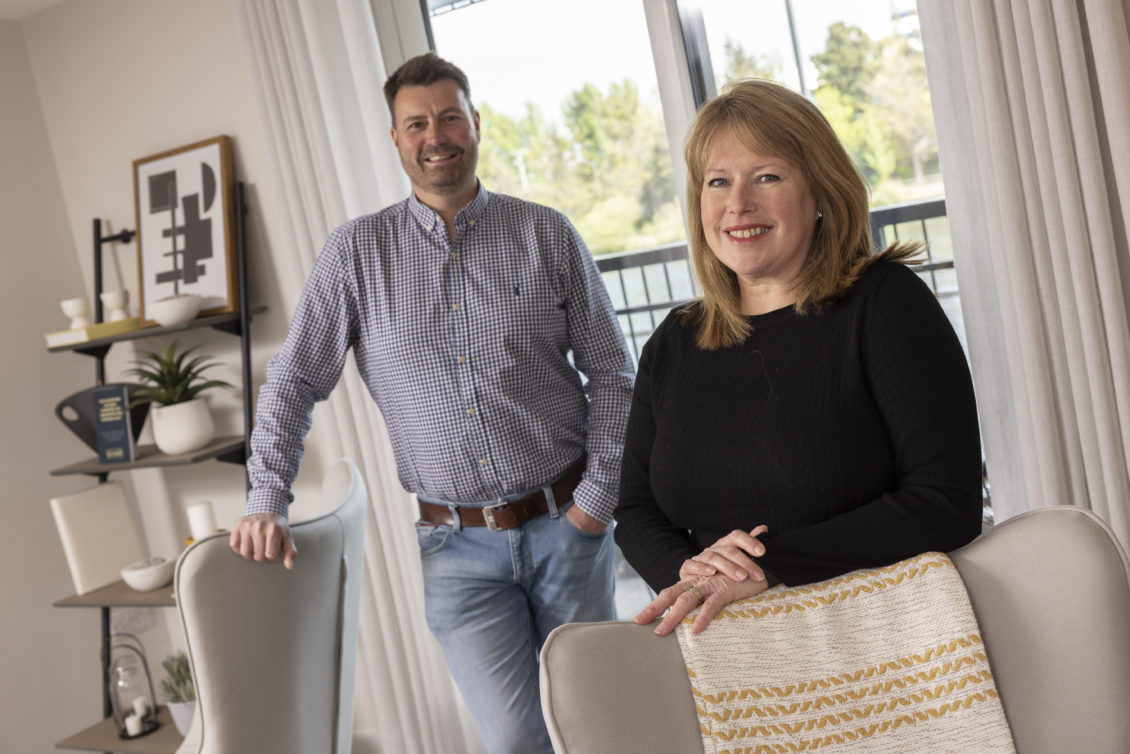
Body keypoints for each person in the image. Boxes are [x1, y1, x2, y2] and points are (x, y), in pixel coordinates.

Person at [228, 52, 634, 753]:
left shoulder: (546, 233)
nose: (435, 136)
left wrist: (595, 501)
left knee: (599, 726)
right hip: (455, 550)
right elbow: (292, 381)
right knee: (515, 740)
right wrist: (267, 497)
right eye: (416, 124)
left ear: (476, 124)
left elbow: (614, 374)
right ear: (395, 139)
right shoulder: (354, 255)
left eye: (449, 118)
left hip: (567, 526)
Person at [614, 79, 983, 638]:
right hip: (726, 646)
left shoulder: (885, 304)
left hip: (886, 641)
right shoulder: (674, 341)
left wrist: (766, 567)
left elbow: (946, 502)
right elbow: (637, 511)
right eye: (718, 181)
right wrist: (694, 577)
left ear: (820, 191)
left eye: (767, 176)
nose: (738, 203)